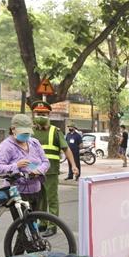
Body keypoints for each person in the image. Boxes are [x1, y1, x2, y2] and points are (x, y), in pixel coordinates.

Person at [30, 100, 78, 237]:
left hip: (51, 172)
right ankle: (43, 223)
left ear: (49, 115)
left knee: (52, 199)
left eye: (43, 113)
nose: (40, 115)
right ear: (33, 114)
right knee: (40, 199)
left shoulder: (55, 132)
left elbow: (66, 149)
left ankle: (53, 225)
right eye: (38, 113)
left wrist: (73, 166)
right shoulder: (31, 132)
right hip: (35, 172)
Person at [0, 114, 50, 208]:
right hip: (17, 192)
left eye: (28, 133)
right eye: (23, 133)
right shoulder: (7, 146)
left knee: (35, 220)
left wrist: (38, 171)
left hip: (36, 190)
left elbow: (46, 162)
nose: (26, 135)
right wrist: (16, 166)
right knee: (23, 221)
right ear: (13, 129)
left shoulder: (34, 143)